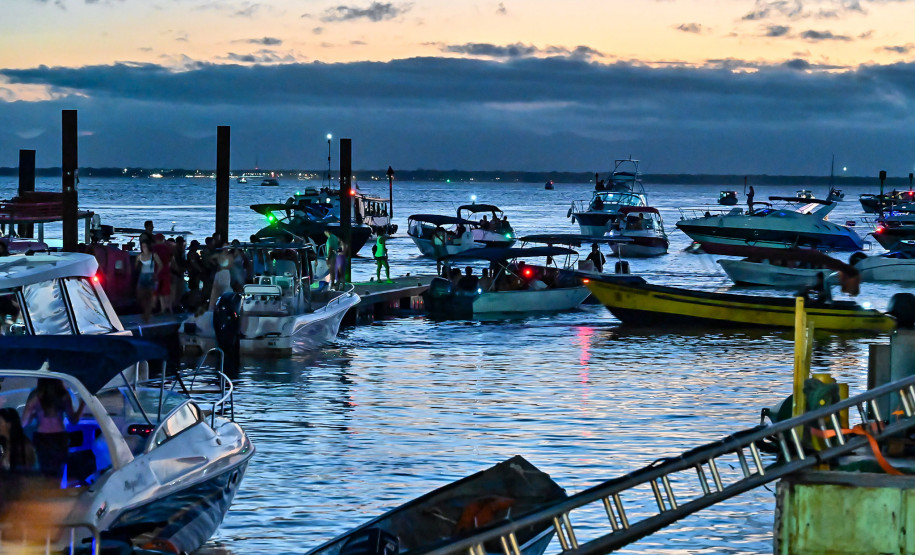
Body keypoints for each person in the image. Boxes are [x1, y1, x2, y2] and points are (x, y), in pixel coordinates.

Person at [22, 379, 85, 477]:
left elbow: (24, 423)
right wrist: (82, 404)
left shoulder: (36, 395)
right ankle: (57, 490)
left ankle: (43, 490)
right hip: (60, 438)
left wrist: (33, 413)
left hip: (42, 438)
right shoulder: (63, 395)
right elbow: (74, 420)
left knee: (41, 472)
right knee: (58, 473)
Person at [0, 408, 36, 473]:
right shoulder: (4, 444)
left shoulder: (24, 446)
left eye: (0, 422)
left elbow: (25, 472)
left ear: (9, 424)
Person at [135, 240, 161, 323]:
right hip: (142, 276)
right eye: (142, 246)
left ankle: (147, 314)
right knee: (141, 297)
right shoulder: (140, 256)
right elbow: (136, 267)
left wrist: (156, 274)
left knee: (149, 296)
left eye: (145, 246)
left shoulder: (153, 255)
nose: (143, 248)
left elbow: (160, 265)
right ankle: (146, 312)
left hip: (150, 275)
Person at [151, 234, 173, 314]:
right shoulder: (168, 248)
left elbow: (159, 264)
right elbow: (170, 261)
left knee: (159, 292)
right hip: (166, 272)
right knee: (166, 292)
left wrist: (155, 274)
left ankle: (162, 309)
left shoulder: (155, 249)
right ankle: (168, 309)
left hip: (159, 273)